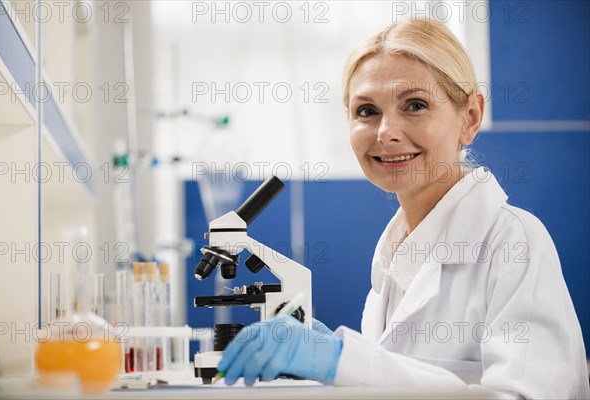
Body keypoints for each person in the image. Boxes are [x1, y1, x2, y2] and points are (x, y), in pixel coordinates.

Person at [217, 18, 589, 399]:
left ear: (470, 117)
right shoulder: (392, 257)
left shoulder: (514, 242)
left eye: (415, 105)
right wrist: (349, 368)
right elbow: (395, 382)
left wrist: (346, 362)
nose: (386, 132)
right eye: (366, 111)